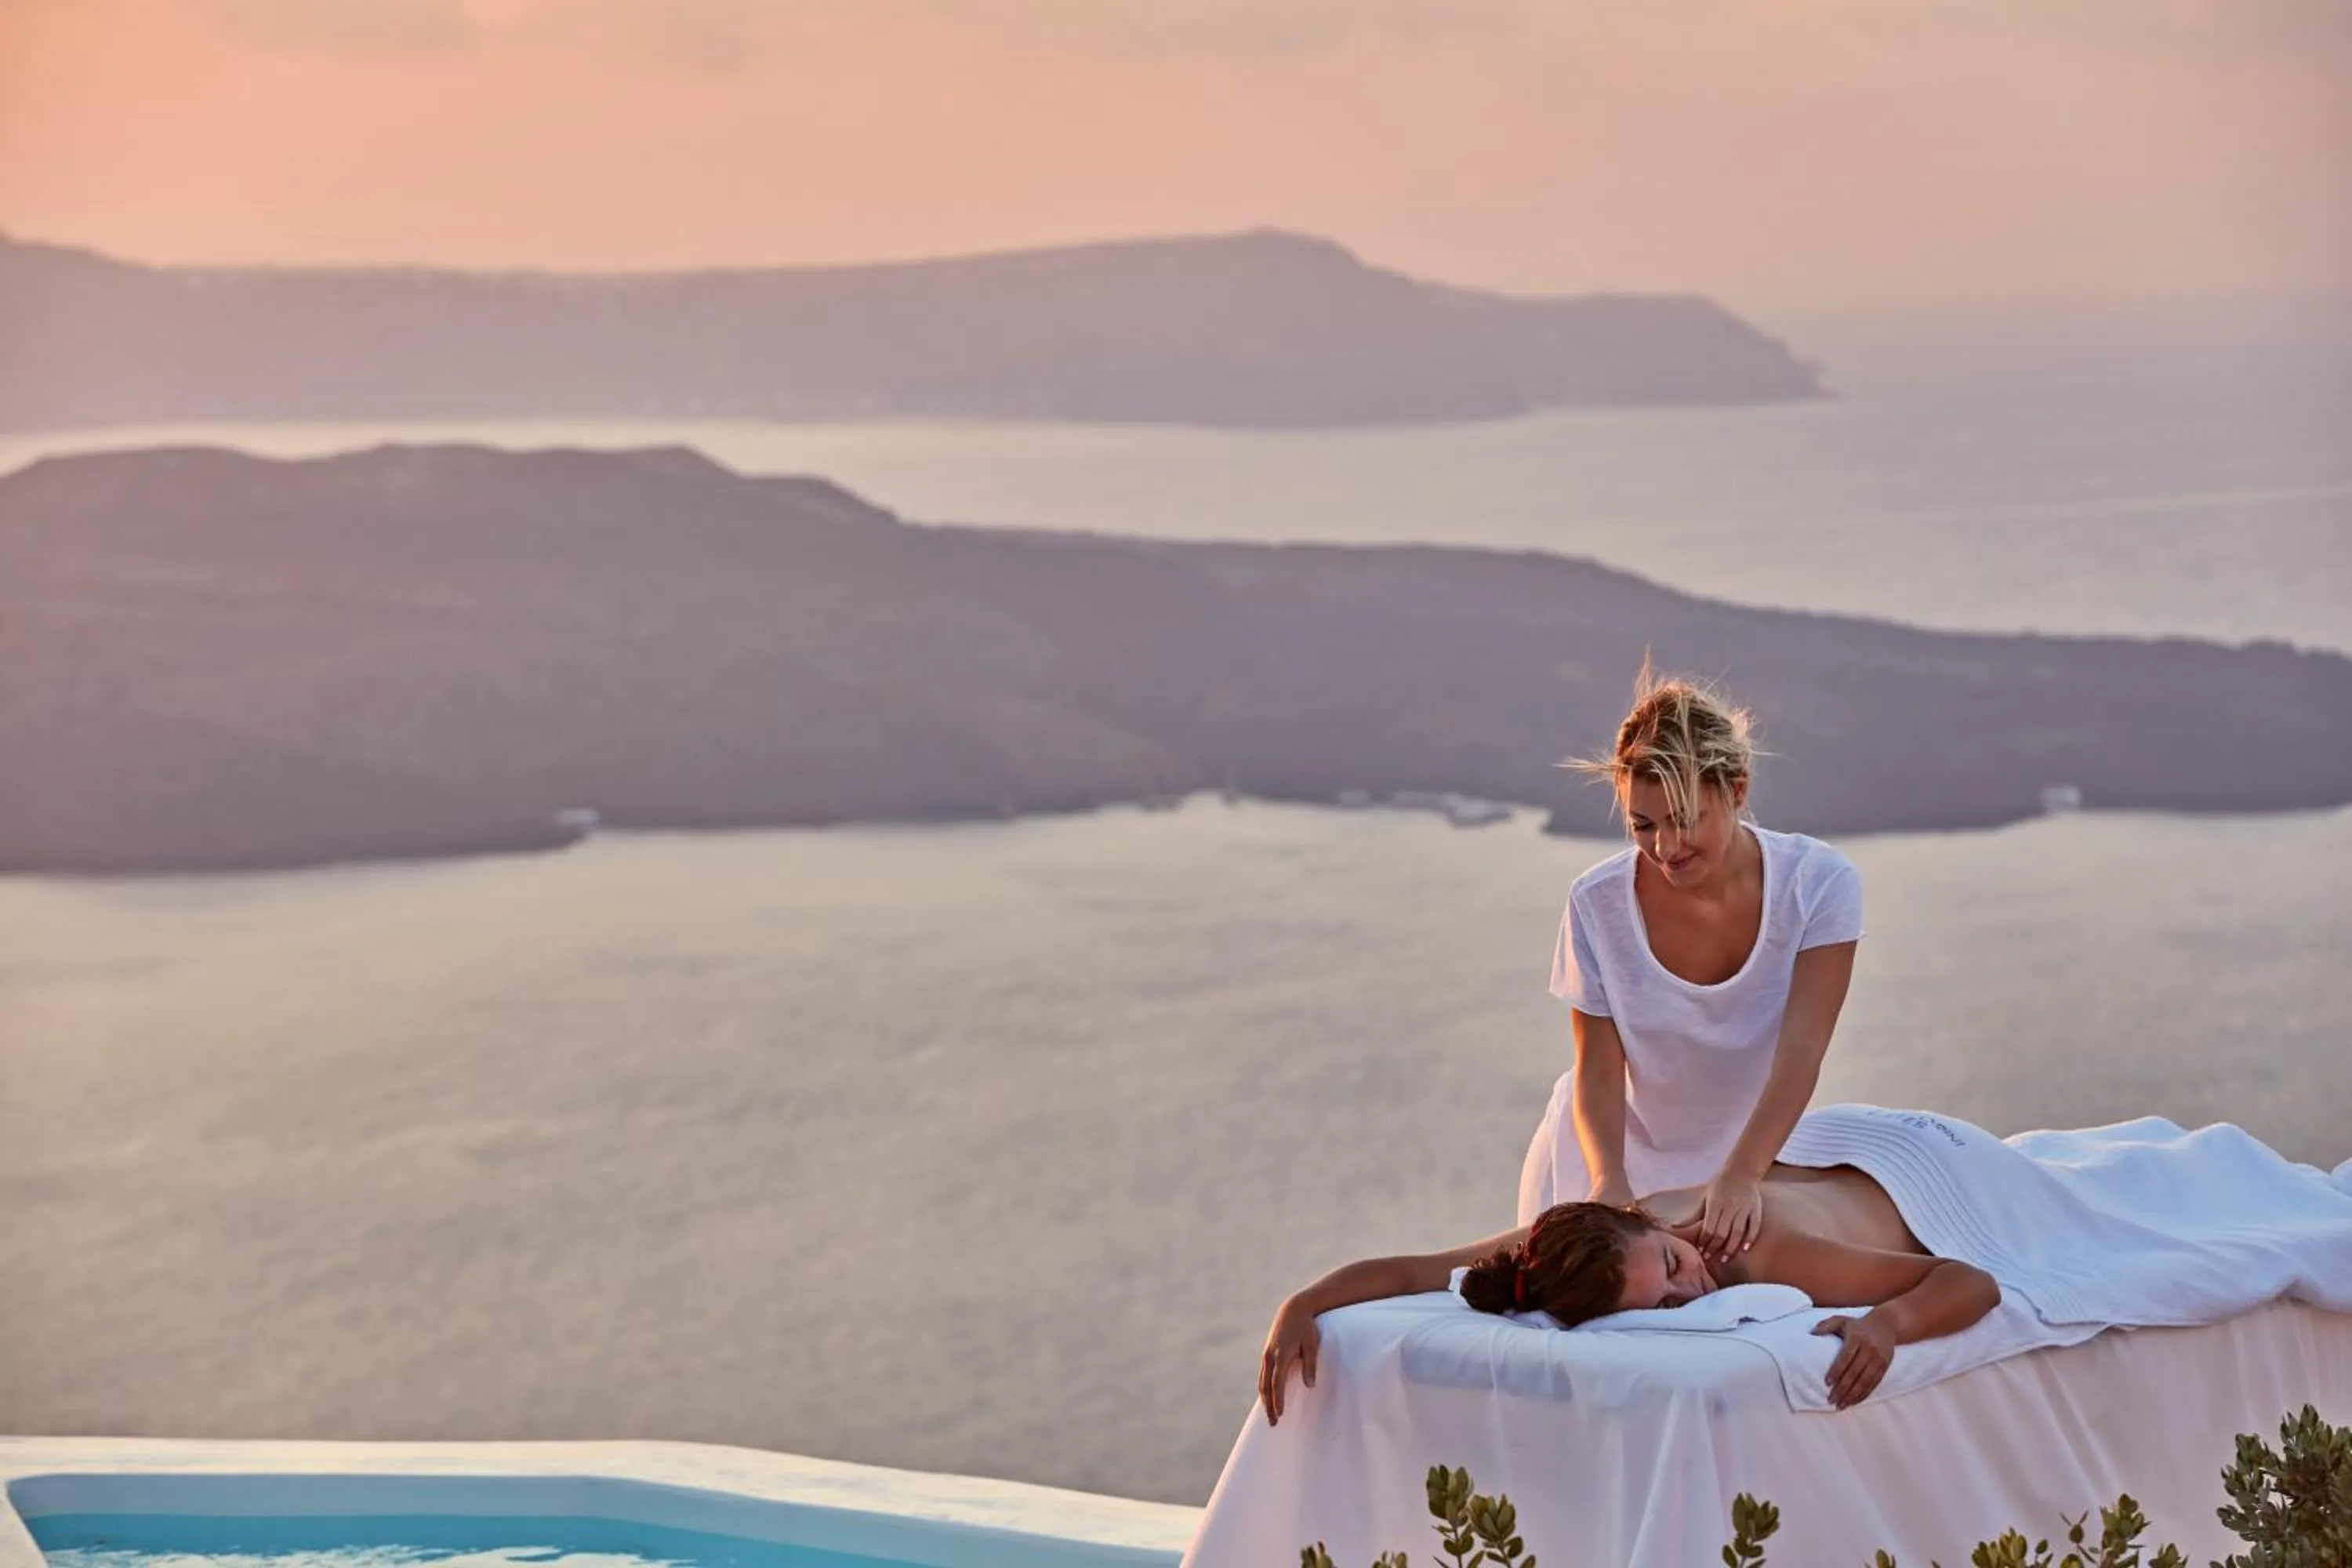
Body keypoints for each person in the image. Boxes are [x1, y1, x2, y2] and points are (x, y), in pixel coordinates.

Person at [1523, 662, 1864, 1265]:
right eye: (1642, 825)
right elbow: (1597, 1069)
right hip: (1603, 1165)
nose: (1665, 847)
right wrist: (1607, 1183)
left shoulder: (1818, 886)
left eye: (1683, 820)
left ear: (1737, 790)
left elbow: (1800, 1055)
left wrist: (1743, 1175)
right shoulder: (1596, 903)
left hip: (1749, 1165)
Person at [1258, 1160, 2002, 1417]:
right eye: (1669, 1306)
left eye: (1675, 1264)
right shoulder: (1577, 1253)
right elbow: (1410, 1272)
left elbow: (1970, 1282)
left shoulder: (1766, 1250)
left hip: (1925, 1174)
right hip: (1816, 1174)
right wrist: (1302, 1305)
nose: (1696, 1285)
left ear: (1642, 1218)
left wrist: (1888, 1325)